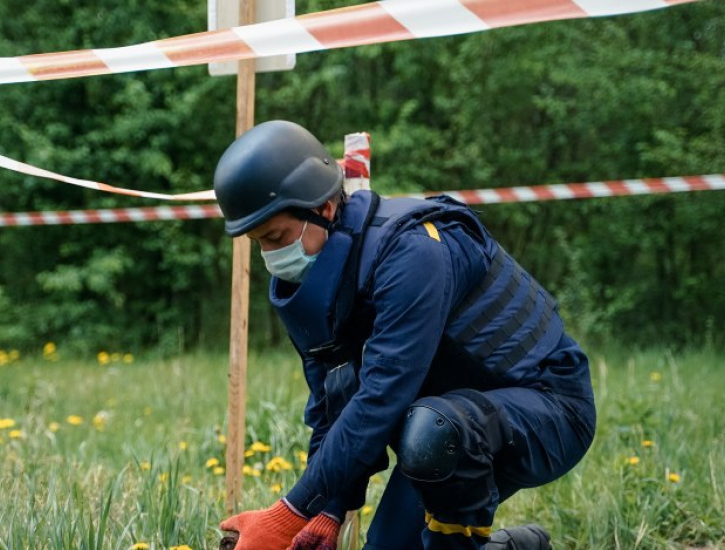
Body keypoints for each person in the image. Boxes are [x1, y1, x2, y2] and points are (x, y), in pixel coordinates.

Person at [214, 121, 596, 550]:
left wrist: (289, 512)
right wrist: (326, 509)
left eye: (276, 238)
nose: (271, 256)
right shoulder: (319, 281)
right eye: (258, 243)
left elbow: (382, 395)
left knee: (432, 430)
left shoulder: (413, 253)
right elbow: (331, 405)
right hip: (449, 421)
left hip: (548, 410)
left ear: (321, 208)